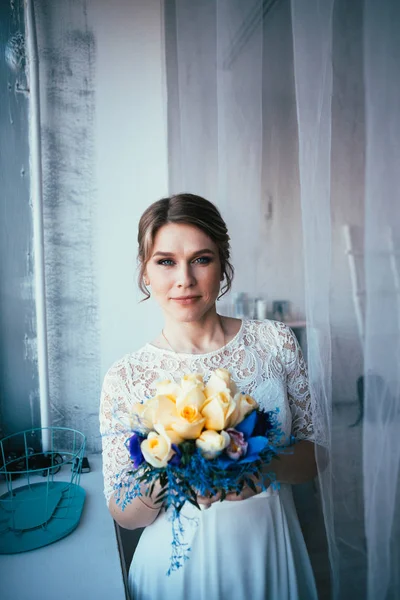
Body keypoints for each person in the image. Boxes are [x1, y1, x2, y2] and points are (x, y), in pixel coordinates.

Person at [99, 193, 319, 600]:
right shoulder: (125, 377)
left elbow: (315, 457)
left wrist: (256, 471)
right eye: (165, 261)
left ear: (223, 267)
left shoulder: (275, 342)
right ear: (146, 273)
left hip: (268, 549)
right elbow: (122, 512)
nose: (184, 278)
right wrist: (172, 468)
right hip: (178, 570)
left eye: (201, 259)